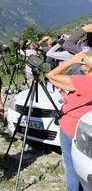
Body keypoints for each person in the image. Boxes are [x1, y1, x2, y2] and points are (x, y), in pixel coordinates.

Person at [47, 50, 92, 191]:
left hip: (71, 129)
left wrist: (71, 61)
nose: (80, 62)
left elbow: (51, 75)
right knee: (83, 168)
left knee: (72, 170)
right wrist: (69, 97)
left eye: (83, 60)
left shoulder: (84, 81)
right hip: (85, 131)